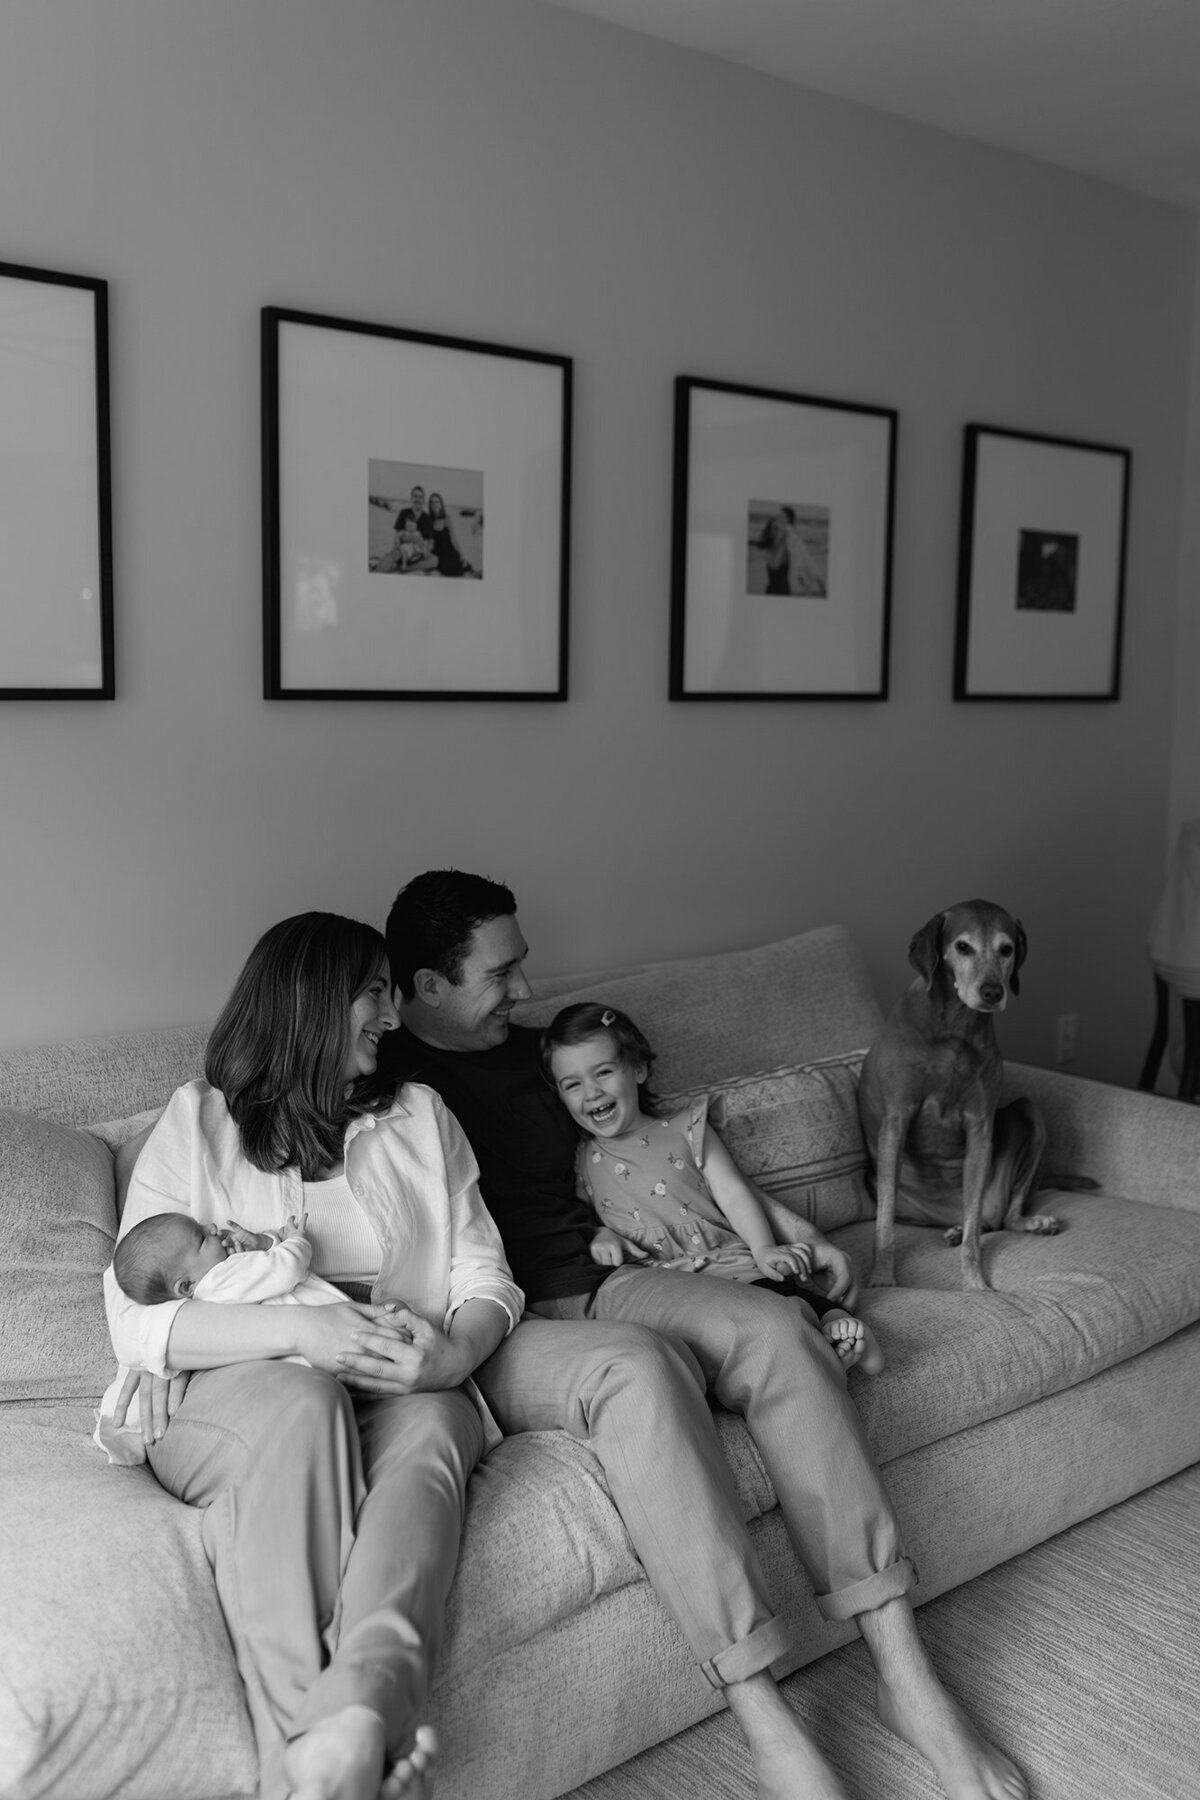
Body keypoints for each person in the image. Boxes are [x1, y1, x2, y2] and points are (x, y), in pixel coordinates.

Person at [379, 869, 1030, 1800]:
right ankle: (767, 1725)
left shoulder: (550, 1058)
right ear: (428, 986)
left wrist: (796, 1239)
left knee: (776, 1332)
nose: (525, 990)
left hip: (621, 1282)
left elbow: (679, 1162)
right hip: (507, 1324)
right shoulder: (389, 1085)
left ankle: (906, 1677)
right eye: (501, 973)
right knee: (641, 1375)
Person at [103, 911, 523, 1800]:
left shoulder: (419, 1114)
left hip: (393, 1368)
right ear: (309, 1001)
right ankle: (308, 1754)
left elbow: (486, 1270)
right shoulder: (199, 1121)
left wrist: (452, 1357)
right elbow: (137, 1323)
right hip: (243, 1390)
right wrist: (303, 1333)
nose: (391, 1012)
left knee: (440, 1431)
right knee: (306, 1405)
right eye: (372, 991)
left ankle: (356, 1718)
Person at [540, 1001, 883, 1374]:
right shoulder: (581, 1159)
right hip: (660, 1283)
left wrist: (763, 1246)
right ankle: (805, 1353)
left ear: (638, 1069)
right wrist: (599, 1232)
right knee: (687, 1340)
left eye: (603, 1072)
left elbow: (734, 1193)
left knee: (776, 1287)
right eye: (572, 1084)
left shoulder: (688, 1128)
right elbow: (577, 1216)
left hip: (724, 1258)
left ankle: (836, 1323)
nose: (590, 1092)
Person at [391, 485, 438, 573]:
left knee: (435, 560)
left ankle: (404, 568)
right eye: (415, 496)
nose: (417, 499)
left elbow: (431, 542)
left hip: (418, 553)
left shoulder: (427, 518)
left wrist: (426, 550)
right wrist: (411, 539)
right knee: (393, 555)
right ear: (411, 498)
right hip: (403, 551)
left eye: (420, 497)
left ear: (423, 500)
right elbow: (397, 535)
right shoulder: (404, 513)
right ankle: (400, 565)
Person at [426, 492, 474, 577]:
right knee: (446, 569)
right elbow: (429, 542)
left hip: (450, 551)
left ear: (441, 504)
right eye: (432, 502)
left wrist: (461, 554)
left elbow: (454, 539)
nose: (434, 504)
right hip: (437, 553)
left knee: (463, 567)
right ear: (429, 505)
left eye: (437, 502)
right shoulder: (428, 520)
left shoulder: (447, 518)